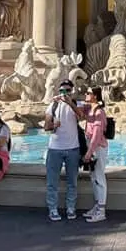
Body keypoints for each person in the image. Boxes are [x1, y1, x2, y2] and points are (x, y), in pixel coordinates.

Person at [44, 79, 82, 221]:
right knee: (52, 182)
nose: (64, 93)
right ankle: (52, 209)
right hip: (55, 148)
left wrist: (69, 102)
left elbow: (82, 116)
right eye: (61, 91)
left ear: (72, 91)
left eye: (67, 90)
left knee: (72, 182)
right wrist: (53, 124)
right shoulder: (52, 106)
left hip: (73, 148)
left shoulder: (77, 104)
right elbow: (46, 127)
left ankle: (71, 208)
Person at [79, 87, 109, 223]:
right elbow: (78, 109)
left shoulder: (99, 112)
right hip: (91, 147)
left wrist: (89, 152)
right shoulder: (90, 109)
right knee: (93, 177)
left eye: (88, 93)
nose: (86, 94)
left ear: (95, 96)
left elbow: (96, 136)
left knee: (99, 178)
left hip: (98, 148)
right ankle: (97, 207)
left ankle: (101, 211)